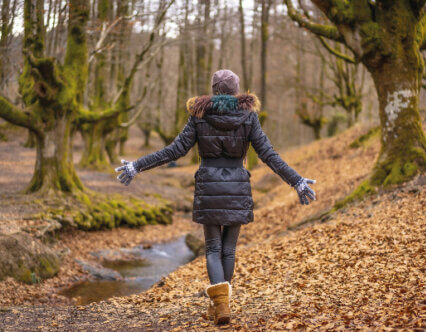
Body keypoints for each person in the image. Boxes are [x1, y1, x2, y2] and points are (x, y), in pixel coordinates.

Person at [115, 69, 316, 325]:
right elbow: (269, 155)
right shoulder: (248, 116)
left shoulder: (199, 116)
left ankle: (220, 305)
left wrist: (137, 165)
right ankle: (223, 305)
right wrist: (296, 180)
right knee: (228, 250)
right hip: (237, 186)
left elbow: (174, 151)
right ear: (236, 90)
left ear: (214, 90)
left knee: (212, 247)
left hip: (209, 185)